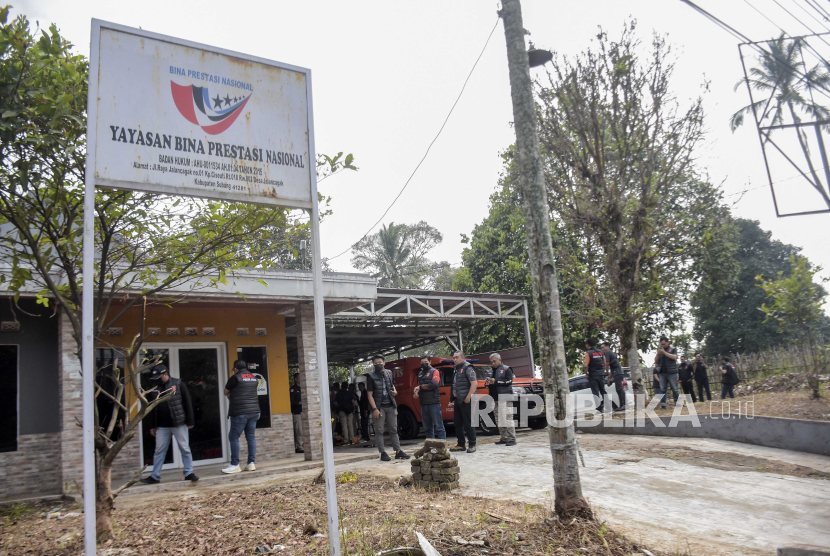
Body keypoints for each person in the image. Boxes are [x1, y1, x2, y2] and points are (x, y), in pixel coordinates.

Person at [140, 364, 199, 484]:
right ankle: (155, 476)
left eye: (159, 376)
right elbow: (152, 407)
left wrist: (190, 421)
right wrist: (152, 425)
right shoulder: (155, 387)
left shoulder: (178, 384)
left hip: (179, 424)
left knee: (185, 448)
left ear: (166, 374)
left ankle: (189, 473)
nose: (157, 379)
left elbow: (187, 402)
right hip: (162, 426)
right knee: (159, 451)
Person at [366, 355, 410, 461]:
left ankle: (398, 451)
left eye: (380, 362)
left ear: (384, 363)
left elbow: (392, 385)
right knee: (379, 431)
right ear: (373, 364)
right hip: (379, 407)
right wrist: (375, 409)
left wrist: (395, 391)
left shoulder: (389, 373)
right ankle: (382, 452)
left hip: (391, 405)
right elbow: (369, 395)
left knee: (394, 429)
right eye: (376, 363)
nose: (378, 364)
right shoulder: (371, 377)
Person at [222, 360, 260, 474]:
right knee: (251, 437)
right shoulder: (253, 378)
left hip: (240, 412)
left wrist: (231, 394)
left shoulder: (235, 377)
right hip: (255, 411)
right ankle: (251, 464)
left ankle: (235, 464)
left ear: (236, 369)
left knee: (233, 437)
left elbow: (225, 391)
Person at [450, 350, 478, 453]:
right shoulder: (456, 369)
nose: (455, 359)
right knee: (457, 423)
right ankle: (461, 444)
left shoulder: (468, 367)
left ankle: (472, 444)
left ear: (463, 357)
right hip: (458, 399)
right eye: (454, 357)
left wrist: (468, 397)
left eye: (457, 357)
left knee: (468, 422)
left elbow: (474, 384)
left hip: (466, 399)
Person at [486, 352, 516, 446]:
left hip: (505, 396)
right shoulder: (490, 371)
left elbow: (509, 381)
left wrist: (496, 381)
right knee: (499, 419)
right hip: (494, 398)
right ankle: (504, 437)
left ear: (500, 360)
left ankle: (512, 438)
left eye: (494, 361)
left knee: (507, 418)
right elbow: (489, 382)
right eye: (491, 362)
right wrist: (487, 383)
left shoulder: (507, 369)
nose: (493, 363)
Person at [413, 355, 446, 440]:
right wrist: (417, 393)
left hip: (434, 402)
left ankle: (442, 447)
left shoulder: (435, 371)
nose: (424, 364)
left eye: (426, 362)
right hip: (423, 403)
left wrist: (420, 387)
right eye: (422, 362)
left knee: (439, 426)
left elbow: (434, 384)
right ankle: (430, 447)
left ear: (430, 362)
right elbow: (420, 387)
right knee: (427, 428)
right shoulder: (420, 374)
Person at [654, 336, 679, 409]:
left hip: (672, 372)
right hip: (662, 372)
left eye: (664, 344)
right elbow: (656, 360)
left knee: (674, 388)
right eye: (661, 344)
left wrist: (664, 352)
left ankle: (677, 402)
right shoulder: (660, 351)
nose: (663, 346)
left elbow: (674, 357)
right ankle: (663, 403)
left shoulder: (673, 349)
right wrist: (658, 353)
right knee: (662, 389)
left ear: (668, 343)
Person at [583, 338, 607, 413]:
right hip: (601, 374)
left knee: (595, 392)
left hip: (593, 375)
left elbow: (585, 365)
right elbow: (605, 362)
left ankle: (600, 408)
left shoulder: (588, 353)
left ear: (587, 345)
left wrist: (586, 374)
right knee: (603, 390)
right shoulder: (600, 352)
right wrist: (604, 371)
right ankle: (608, 405)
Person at [600, 342, 626, 411]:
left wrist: (606, 372)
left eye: (603, 347)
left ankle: (623, 404)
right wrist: (609, 377)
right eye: (601, 348)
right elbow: (612, 367)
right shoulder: (611, 353)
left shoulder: (608, 352)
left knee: (619, 389)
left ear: (607, 346)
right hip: (617, 372)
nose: (602, 349)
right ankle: (622, 405)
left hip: (617, 373)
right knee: (618, 389)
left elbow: (607, 363)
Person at [289, 373, 304, 454]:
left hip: (303, 412)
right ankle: (299, 447)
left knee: (304, 431)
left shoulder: (303, 388)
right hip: (297, 413)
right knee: (299, 431)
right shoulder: (292, 389)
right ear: (296, 379)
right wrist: (299, 403)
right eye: (299, 378)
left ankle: (303, 445)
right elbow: (291, 401)